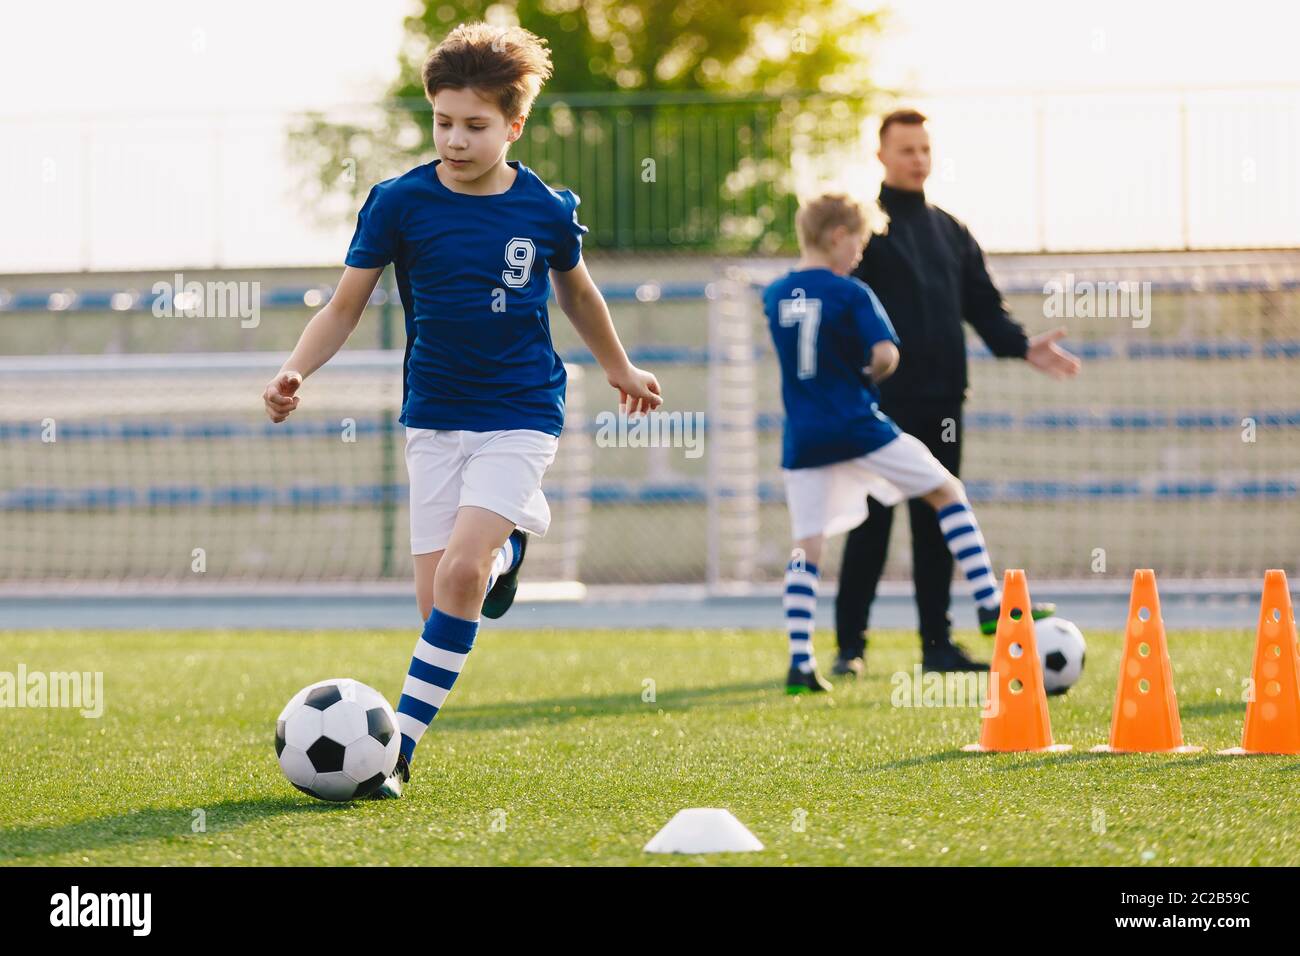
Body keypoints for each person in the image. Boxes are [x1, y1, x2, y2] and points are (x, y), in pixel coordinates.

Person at [262, 22, 662, 797]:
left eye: (475, 126)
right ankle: (508, 555)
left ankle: (397, 753)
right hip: (435, 419)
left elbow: (576, 291)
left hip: (520, 411)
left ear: (513, 126)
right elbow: (345, 306)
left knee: (460, 575)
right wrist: (294, 370)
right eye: (443, 122)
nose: (455, 139)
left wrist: (620, 367)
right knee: (441, 599)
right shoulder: (398, 203)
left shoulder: (546, 207)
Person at [833, 109, 1081, 678]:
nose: (917, 159)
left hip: (942, 405)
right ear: (881, 157)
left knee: (938, 523)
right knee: (869, 524)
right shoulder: (862, 231)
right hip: (877, 407)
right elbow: (839, 306)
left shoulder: (951, 230)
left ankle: (937, 648)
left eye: (924, 149)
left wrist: (1021, 346)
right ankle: (851, 647)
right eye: (905, 150)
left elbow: (984, 307)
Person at [764, 193, 1026, 694]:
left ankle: (800, 661)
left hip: (803, 436)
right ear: (839, 237)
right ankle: (989, 602)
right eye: (858, 244)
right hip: (858, 424)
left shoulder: (775, 294)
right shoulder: (853, 293)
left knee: (809, 546)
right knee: (946, 489)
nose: (860, 255)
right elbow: (885, 355)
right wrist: (869, 370)